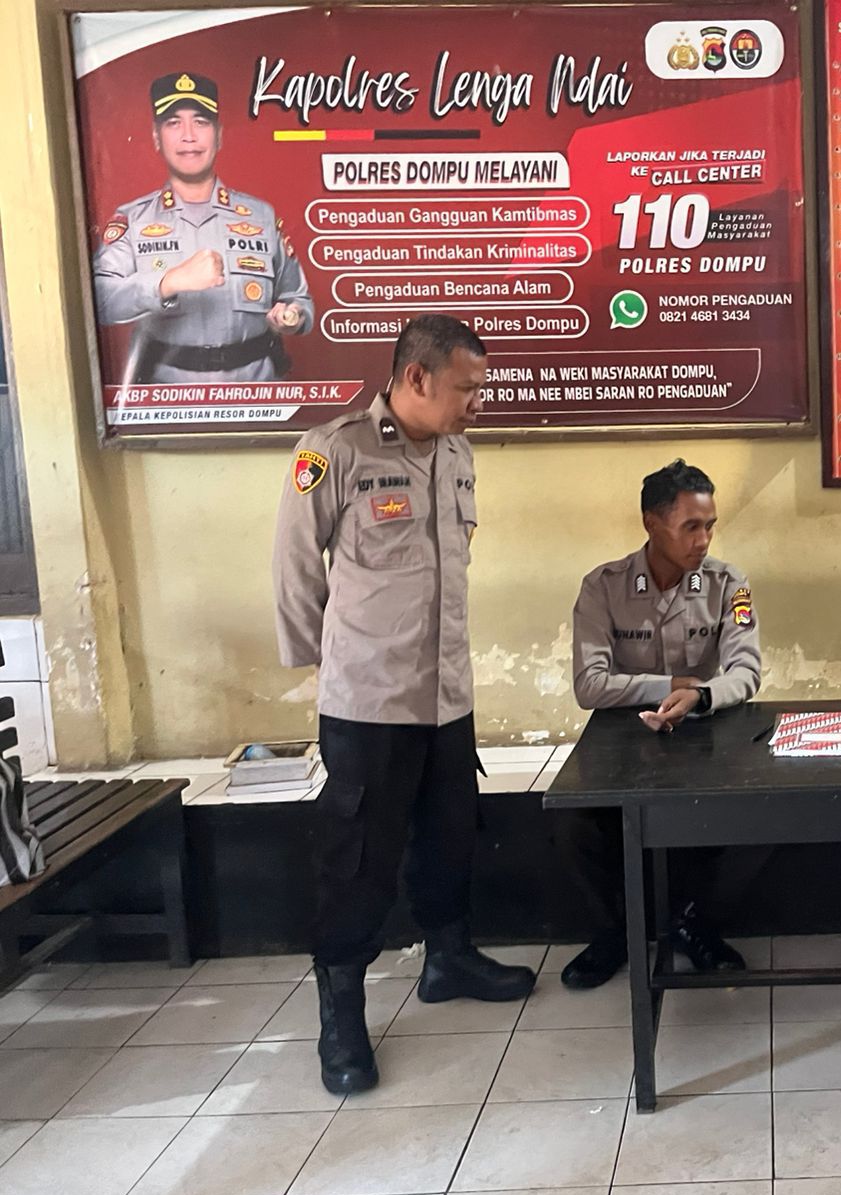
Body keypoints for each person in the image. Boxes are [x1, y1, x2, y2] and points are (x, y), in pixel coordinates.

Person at [272, 315, 533, 1096]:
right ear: (416, 377)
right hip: (369, 702)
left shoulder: (457, 453)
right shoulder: (332, 452)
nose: (478, 402)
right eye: (467, 388)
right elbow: (294, 567)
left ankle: (448, 958)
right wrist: (331, 667)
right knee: (357, 859)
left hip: (446, 695)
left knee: (449, 836)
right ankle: (341, 1012)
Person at [559, 459, 767, 988]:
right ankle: (615, 933)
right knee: (576, 823)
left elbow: (746, 671)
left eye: (710, 526)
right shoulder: (604, 586)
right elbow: (589, 686)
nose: (703, 540)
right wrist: (671, 684)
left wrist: (700, 696)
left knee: (756, 816)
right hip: (623, 739)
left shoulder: (726, 583)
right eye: (690, 526)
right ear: (652, 523)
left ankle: (694, 923)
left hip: (702, 732)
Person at [92, 72, 312, 384]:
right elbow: (98, 301)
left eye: (200, 122)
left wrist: (293, 316)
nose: (188, 136)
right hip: (168, 390)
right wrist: (167, 282)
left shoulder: (260, 215)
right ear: (156, 137)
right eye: (173, 123)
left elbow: (298, 297)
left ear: (218, 135)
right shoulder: (132, 219)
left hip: (258, 388)